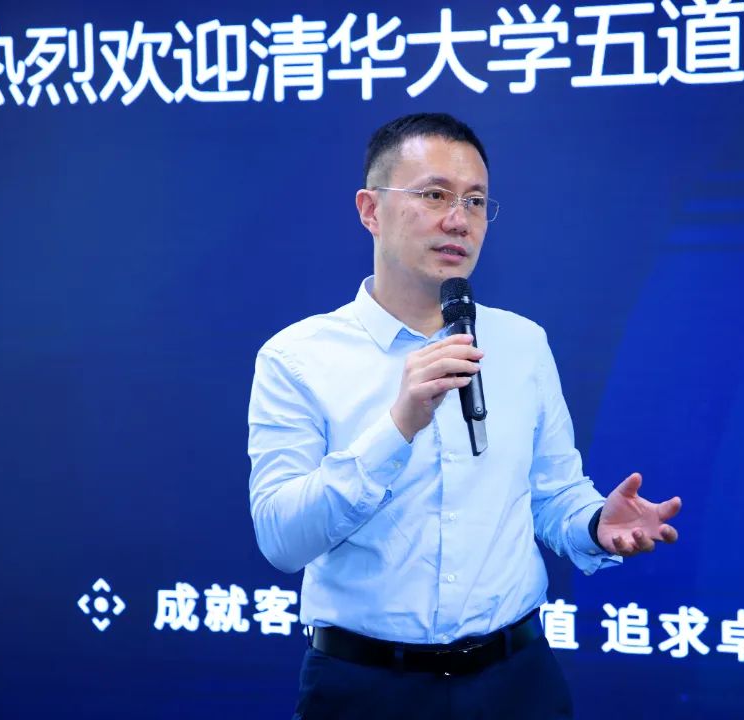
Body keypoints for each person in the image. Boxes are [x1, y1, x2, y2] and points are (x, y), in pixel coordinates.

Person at [247, 112, 681, 720]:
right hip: (365, 688)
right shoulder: (297, 358)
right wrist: (397, 426)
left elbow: (553, 494)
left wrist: (593, 524)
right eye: (434, 195)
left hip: (516, 683)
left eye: (475, 202)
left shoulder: (522, 344)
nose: (459, 220)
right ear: (370, 210)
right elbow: (281, 539)